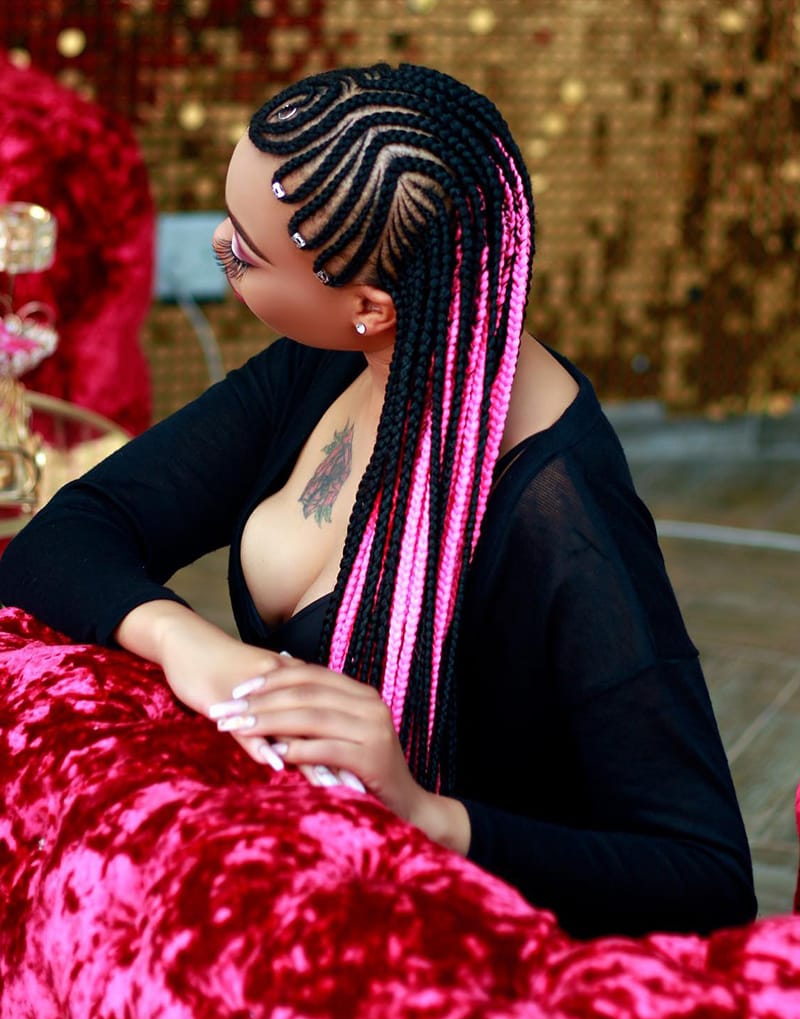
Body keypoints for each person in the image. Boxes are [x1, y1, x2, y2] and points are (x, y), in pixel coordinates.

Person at [0, 62, 756, 939]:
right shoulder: (334, 360)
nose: (215, 246)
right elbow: (63, 539)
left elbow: (703, 879)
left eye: (242, 251)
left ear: (369, 303)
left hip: (466, 944)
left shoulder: (562, 514)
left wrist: (431, 815)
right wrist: (192, 646)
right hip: (312, 867)